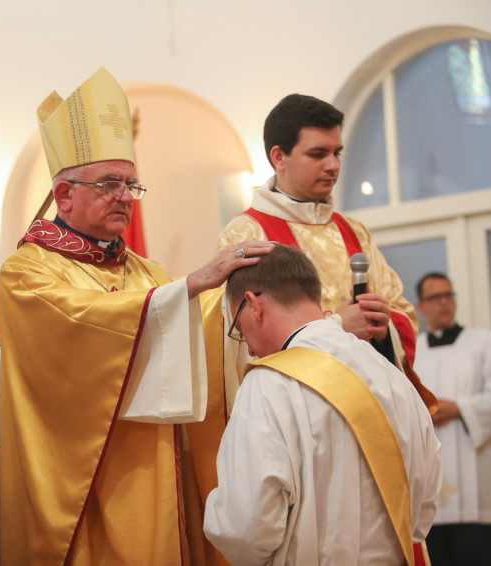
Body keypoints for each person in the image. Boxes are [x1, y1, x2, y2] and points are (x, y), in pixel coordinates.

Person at [0, 66, 272, 565]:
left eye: (131, 184)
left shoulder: (146, 271)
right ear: (64, 195)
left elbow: (195, 328)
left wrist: (245, 301)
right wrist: (191, 284)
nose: (125, 196)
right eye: (109, 184)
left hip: (157, 463)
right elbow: (76, 324)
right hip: (82, 478)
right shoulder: (26, 270)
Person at [202, 244, 441, 565]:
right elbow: (423, 511)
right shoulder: (391, 375)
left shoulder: (270, 383)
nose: (251, 350)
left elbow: (245, 530)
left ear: (254, 305)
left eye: (239, 330)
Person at [217, 94, 426, 397]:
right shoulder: (245, 234)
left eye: (337, 153)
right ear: (279, 157)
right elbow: (238, 338)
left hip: (367, 398)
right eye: (318, 154)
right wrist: (336, 326)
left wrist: (384, 330)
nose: (333, 165)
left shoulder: (354, 232)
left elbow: (400, 310)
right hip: (296, 403)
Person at [413, 272, 491, 565]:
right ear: (421, 306)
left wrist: (460, 408)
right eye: (435, 297)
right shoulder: (412, 351)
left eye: (449, 295)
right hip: (429, 474)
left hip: (475, 473)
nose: (444, 302)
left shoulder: (483, 342)